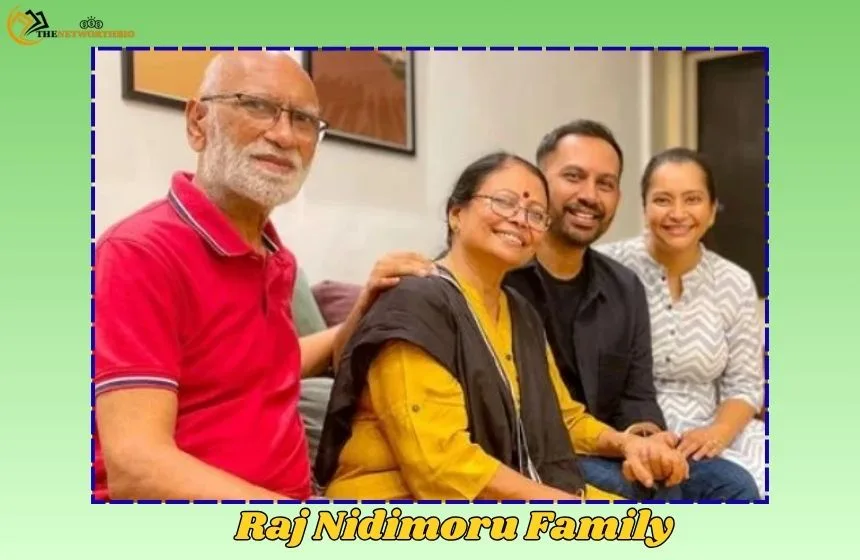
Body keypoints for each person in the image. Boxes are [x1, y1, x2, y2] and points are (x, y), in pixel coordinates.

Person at [93, 51, 434, 501]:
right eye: (256, 105)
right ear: (198, 122)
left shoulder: (275, 256)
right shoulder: (140, 252)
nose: (284, 134)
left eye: (304, 120)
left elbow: (265, 368)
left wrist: (364, 309)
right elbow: (137, 465)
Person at [313, 152, 689, 501]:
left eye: (536, 213)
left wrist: (627, 443)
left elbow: (564, 418)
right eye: (505, 202)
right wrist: (571, 509)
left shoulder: (520, 313)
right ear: (455, 214)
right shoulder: (416, 301)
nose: (520, 219)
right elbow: (438, 466)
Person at [504, 120, 760, 501]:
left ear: (711, 210)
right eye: (573, 176)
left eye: (605, 183)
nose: (589, 195)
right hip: (549, 447)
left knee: (736, 486)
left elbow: (636, 393)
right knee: (658, 494)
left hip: (631, 440)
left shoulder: (621, 284)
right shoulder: (504, 272)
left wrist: (646, 440)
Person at [595, 147, 765, 497]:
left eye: (692, 199)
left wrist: (716, 433)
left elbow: (745, 385)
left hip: (709, 432)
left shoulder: (733, 282)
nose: (677, 213)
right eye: (662, 200)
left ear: (712, 210)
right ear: (643, 208)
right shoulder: (606, 269)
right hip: (625, 435)